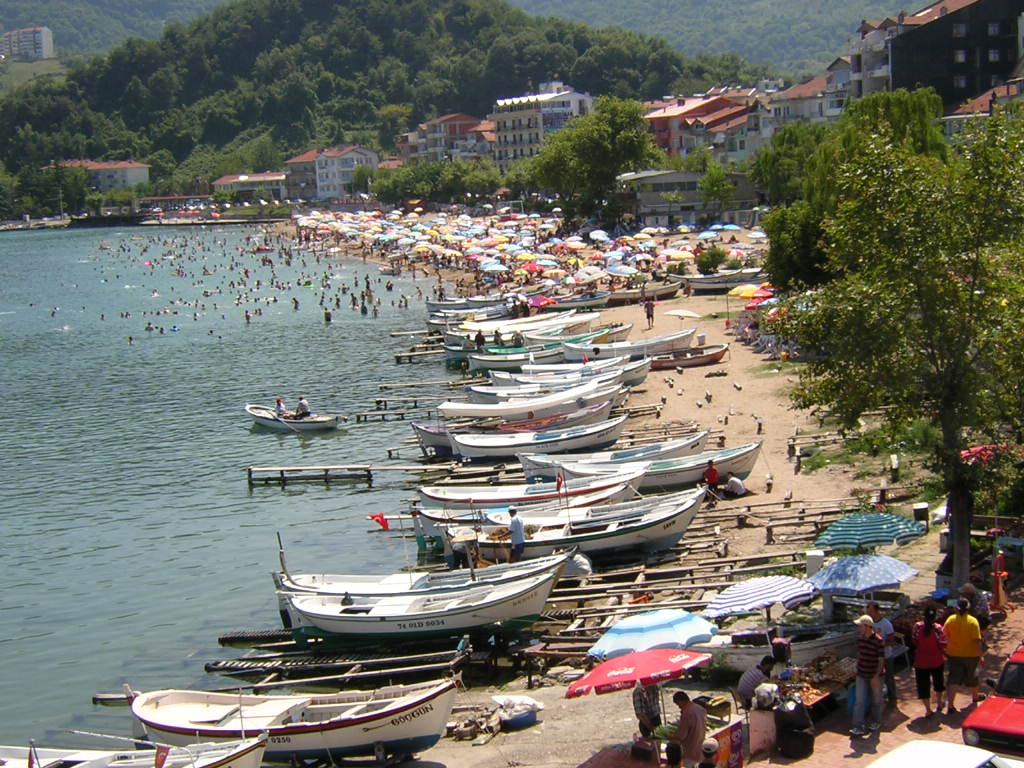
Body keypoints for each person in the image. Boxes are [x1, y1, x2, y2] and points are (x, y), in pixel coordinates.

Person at [944, 596, 984, 712]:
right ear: (968, 608)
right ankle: (975, 697)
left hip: (954, 654)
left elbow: (944, 635)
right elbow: (977, 641)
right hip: (971, 655)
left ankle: (950, 705)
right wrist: (981, 656)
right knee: (973, 677)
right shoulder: (973, 621)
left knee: (953, 680)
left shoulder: (951, 619)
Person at [851, 614, 884, 737]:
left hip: (874, 674)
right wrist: (856, 668)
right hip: (861, 673)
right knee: (860, 701)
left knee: (876, 700)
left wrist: (876, 676)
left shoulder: (879, 641)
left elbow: (881, 660)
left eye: (860, 626)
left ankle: (876, 721)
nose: (859, 628)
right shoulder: (860, 639)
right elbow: (860, 654)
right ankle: (858, 726)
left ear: (867, 626)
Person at [912, 605, 947, 716]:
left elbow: (914, 641)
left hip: (921, 662)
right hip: (936, 660)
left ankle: (928, 710)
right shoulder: (938, 628)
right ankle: (939, 703)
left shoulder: (917, 627)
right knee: (938, 682)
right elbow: (943, 644)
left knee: (923, 686)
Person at [665, 691, 707, 768]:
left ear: (681, 701)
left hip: (690, 749)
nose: (678, 707)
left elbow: (682, 735)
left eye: (678, 704)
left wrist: (671, 737)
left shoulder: (687, 713)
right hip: (700, 744)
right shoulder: (700, 708)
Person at [867, 601, 898, 703]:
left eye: (871, 611)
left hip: (886, 655)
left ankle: (892, 697)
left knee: (889, 677)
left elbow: (892, 640)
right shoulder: (869, 624)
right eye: (868, 611)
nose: (870, 613)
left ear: (876, 611)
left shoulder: (886, 624)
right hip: (874, 656)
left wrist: (882, 644)